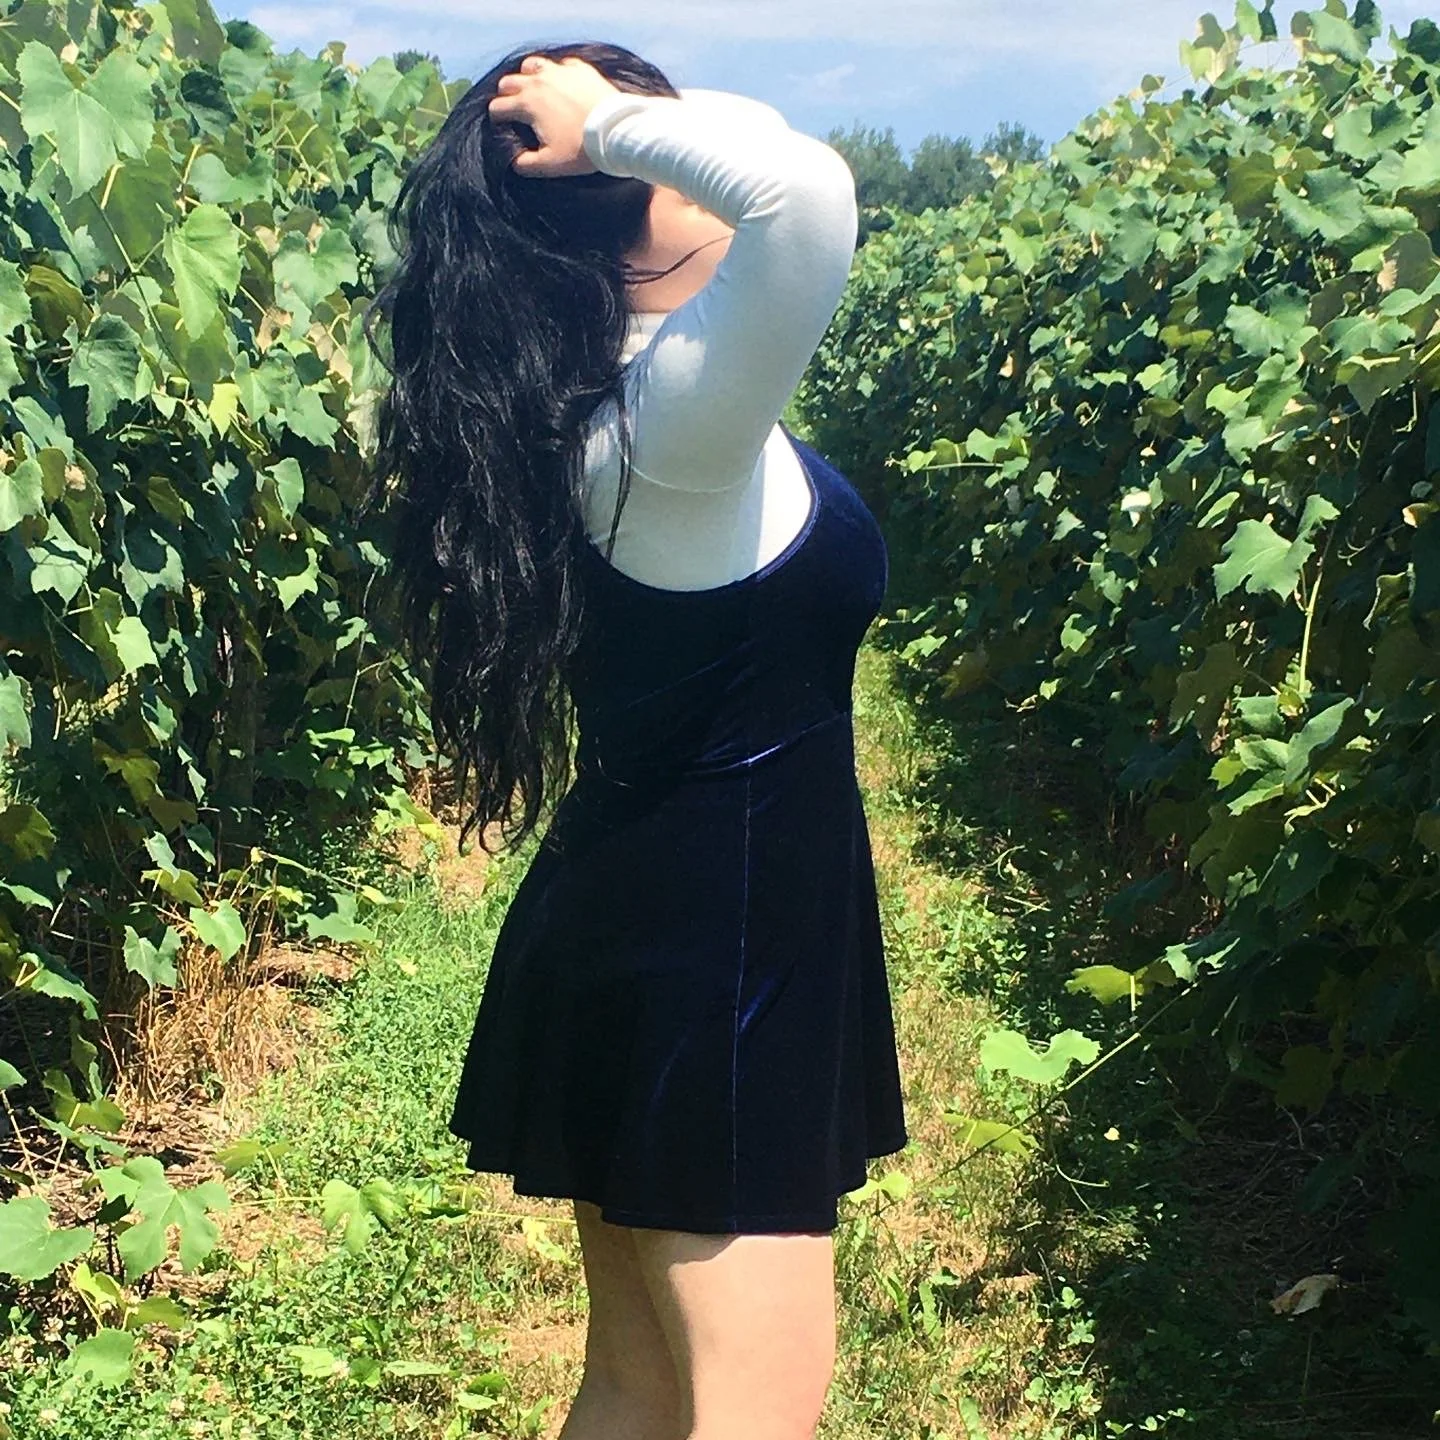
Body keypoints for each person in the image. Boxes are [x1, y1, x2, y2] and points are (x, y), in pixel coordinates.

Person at [366, 40, 907, 1440]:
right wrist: (607, 122)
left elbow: (768, 157)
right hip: (722, 952)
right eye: (659, 154)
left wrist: (605, 130)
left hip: (656, 918)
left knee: (638, 1386)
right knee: (752, 1403)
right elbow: (807, 190)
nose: (704, 163)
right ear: (625, 219)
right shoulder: (673, 420)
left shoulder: (611, 406)